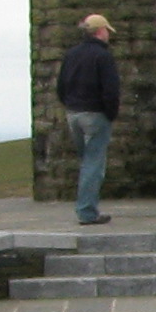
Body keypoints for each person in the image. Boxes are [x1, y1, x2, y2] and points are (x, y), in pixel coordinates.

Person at [56, 15, 120, 224]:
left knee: (86, 162)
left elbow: (61, 85)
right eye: (107, 30)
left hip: (74, 113)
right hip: (95, 114)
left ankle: (86, 207)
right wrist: (110, 113)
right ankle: (87, 211)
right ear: (100, 31)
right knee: (93, 164)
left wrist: (69, 104)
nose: (108, 34)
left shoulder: (71, 54)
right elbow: (111, 89)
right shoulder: (103, 56)